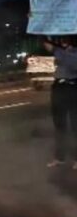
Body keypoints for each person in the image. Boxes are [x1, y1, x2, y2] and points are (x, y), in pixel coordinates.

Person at [42, 37, 77, 168]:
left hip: (73, 87)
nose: (63, 41)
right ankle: (59, 157)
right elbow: (47, 44)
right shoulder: (60, 50)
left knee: (75, 125)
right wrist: (36, 23)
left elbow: (73, 64)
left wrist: (59, 50)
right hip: (59, 87)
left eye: (66, 40)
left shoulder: (68, 52)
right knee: (59, 125)